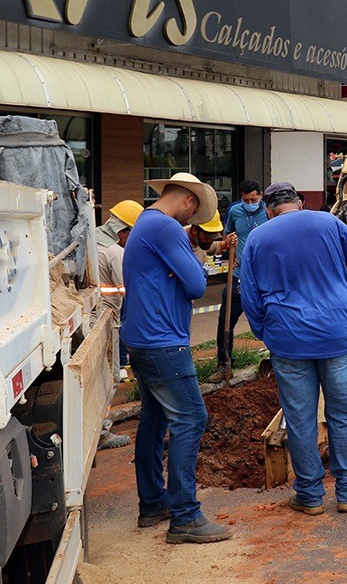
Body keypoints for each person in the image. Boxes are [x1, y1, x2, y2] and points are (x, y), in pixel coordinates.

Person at [240, 182, 347, 516]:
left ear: (268, 210)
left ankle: (309, 496)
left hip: (288, 339)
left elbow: (250, 295)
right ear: (298, 203)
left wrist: (265, 331)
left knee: (299, 420)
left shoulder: (258, 238)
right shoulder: (329, 223)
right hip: (337, 334)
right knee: (345, 414)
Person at [120, 172, 232, 544]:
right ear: (187, 201)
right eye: (194, 214)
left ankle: (153, 503)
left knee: (153, 419)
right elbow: (198, 284)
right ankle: (185, 516)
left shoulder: (144, 224)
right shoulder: (166, 229)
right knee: (191, 418)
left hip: (143, 339)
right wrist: (185, 269)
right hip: (163, 341)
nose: (192, 222)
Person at [209, 181, 269, 383]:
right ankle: (224, 364)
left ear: (260, 195)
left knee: (271, 319)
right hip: (238, 276)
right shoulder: (235, 211)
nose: (250, 203)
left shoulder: (268, 212)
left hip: (263, 279)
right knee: (225, 321)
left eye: (253, 199)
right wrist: (228, 250)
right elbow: (227, 237)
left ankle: (278, 360)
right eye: (246, 200)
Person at [95, 200, 143, 450]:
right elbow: (128, 289)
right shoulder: (116, 252)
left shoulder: (90, 238)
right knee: (111, 376)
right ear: (123, 230)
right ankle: (101, 433)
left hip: (89, 317)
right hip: (107, 319)